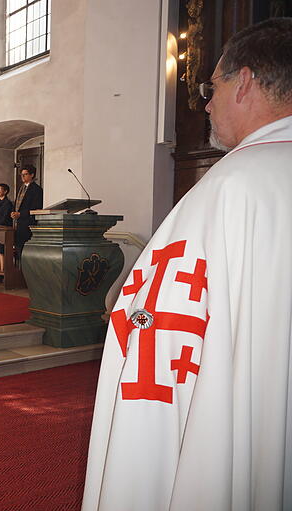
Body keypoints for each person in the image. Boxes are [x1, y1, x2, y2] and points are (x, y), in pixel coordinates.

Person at [83, 18, 292, 511]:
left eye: (210, 86)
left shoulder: (225, 191)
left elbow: (153, 366)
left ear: (243, 83)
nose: (204, 101)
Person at [11, 165, 43, 261]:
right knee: (18, 250)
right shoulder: (21, 188)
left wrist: (21, 214)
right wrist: (13, 212)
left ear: (32, 175)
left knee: (25, 251)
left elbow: (36, 208)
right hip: (18, 224)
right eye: (22, 174)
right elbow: (17, 204)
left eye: (25, 174)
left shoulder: (36, 189)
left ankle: (25, 274)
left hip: (28, 224)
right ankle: (18, 273)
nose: (23, 176)